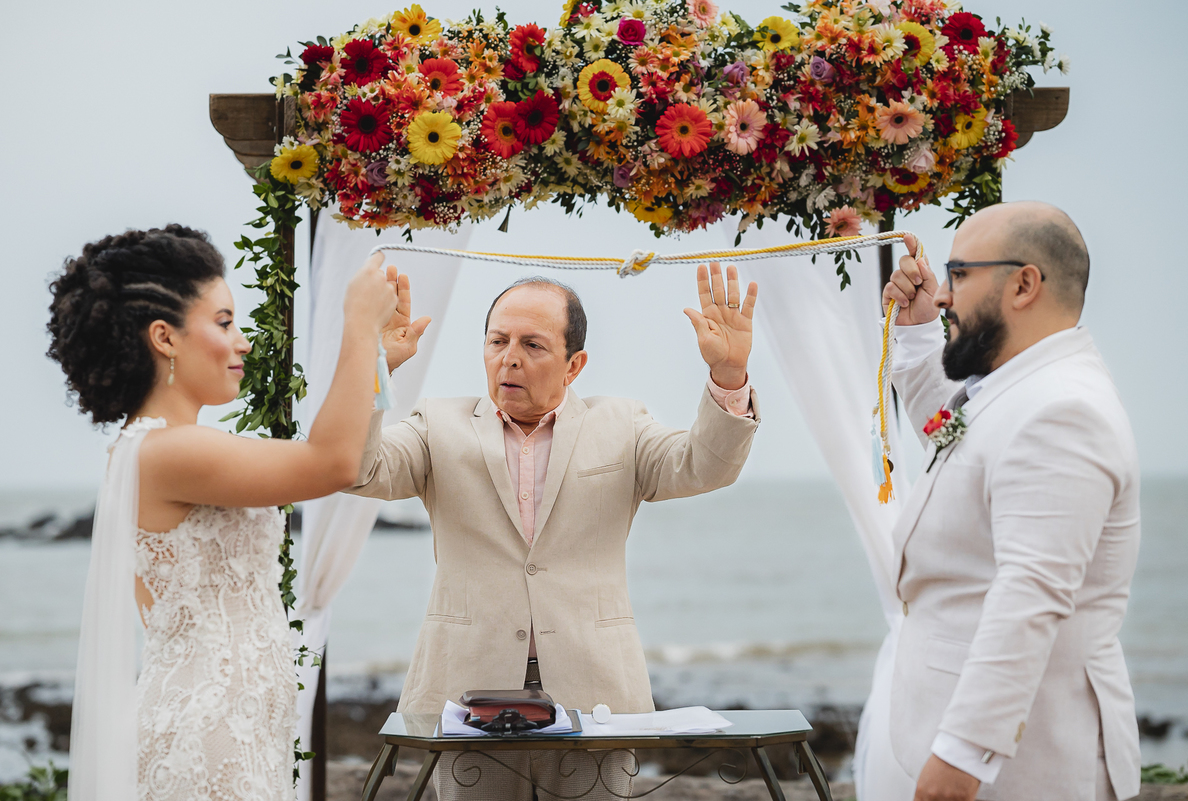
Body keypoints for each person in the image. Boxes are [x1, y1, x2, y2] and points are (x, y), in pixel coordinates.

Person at [347, 265, 761, 799]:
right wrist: (372, 368)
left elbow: (705, 467)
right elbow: (359, 470)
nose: (510, 357)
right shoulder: (436, 426)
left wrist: (729, 374)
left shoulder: (623, 424)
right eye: (498, 341)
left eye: (533, 344)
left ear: (574, 365)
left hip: (596, 701)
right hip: (470, 701)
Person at [45, 225, 401, 801]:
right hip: (209, 738)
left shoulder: (158, 446)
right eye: (225, 322)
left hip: (235, 726)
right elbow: (332, 464)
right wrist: (357, 327)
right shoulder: (171, 451)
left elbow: (341, 462)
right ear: (165, 337)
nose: (243, 343)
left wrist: (380, 364)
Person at [880, 201, 1140, 801]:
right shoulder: (1019, 388)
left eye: (961, 274)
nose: (945, 295)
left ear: (1024, 284)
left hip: (1024, 769)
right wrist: (921, 330)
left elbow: (1032, 591)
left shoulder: (1062, 412)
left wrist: (961, 757)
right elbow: (954, 440)